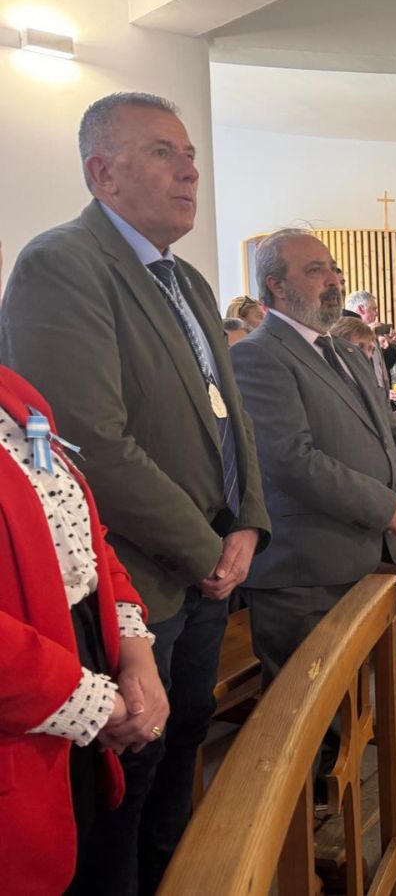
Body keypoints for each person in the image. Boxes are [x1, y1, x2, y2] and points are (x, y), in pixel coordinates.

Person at [0, 91, 270, 892]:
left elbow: (232, 417)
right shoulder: (63, 265)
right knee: (134, 775)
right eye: (162, 152)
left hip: (212, 566)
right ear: (101, 172)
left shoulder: (183, 277)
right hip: (141, 580)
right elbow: (89, 444)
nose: (190, 168)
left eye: (189, 152)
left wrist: (248, 522)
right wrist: (204, 547)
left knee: (184, 746)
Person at [230, 230, 396, 685]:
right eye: (315, 270)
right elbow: (291, 459)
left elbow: (390, 427)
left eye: (333, 268)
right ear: (276, 285)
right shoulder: (258, 356)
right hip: (304, 570)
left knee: (352, 699)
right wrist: (385, 506)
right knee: (307, 713)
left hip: (359, 552)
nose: (334, 280)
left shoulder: (343, 351)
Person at [0, 367, 168, 894]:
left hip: (90, 664)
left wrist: (136, 651)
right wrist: (89, 701)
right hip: (29, 707)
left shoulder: (13, 391)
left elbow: (83, 539)